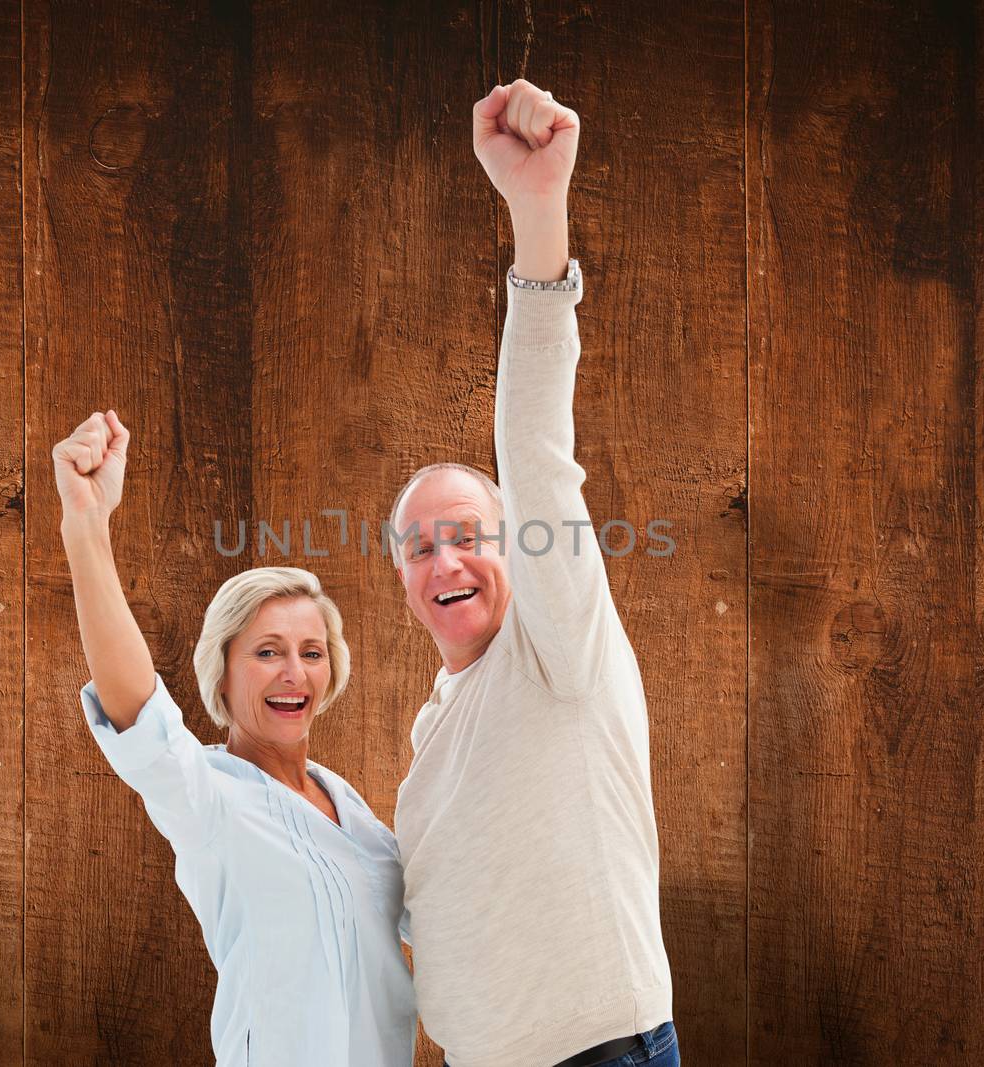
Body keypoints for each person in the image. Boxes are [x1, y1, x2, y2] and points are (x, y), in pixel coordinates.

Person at [389, 81, 677, 1067]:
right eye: (418, 546)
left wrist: (535, 210)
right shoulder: (436, 725)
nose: (445, 558)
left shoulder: (559, 645)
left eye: (467, 532)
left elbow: (535, 447)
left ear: (520, 546)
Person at [54, 410, 416, 1066]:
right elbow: (138, 709)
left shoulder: (354, 811)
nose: (292, 671)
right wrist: (87, 524)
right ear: (220, 672)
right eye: (267, 651)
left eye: (311, 650)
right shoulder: (209, 797)